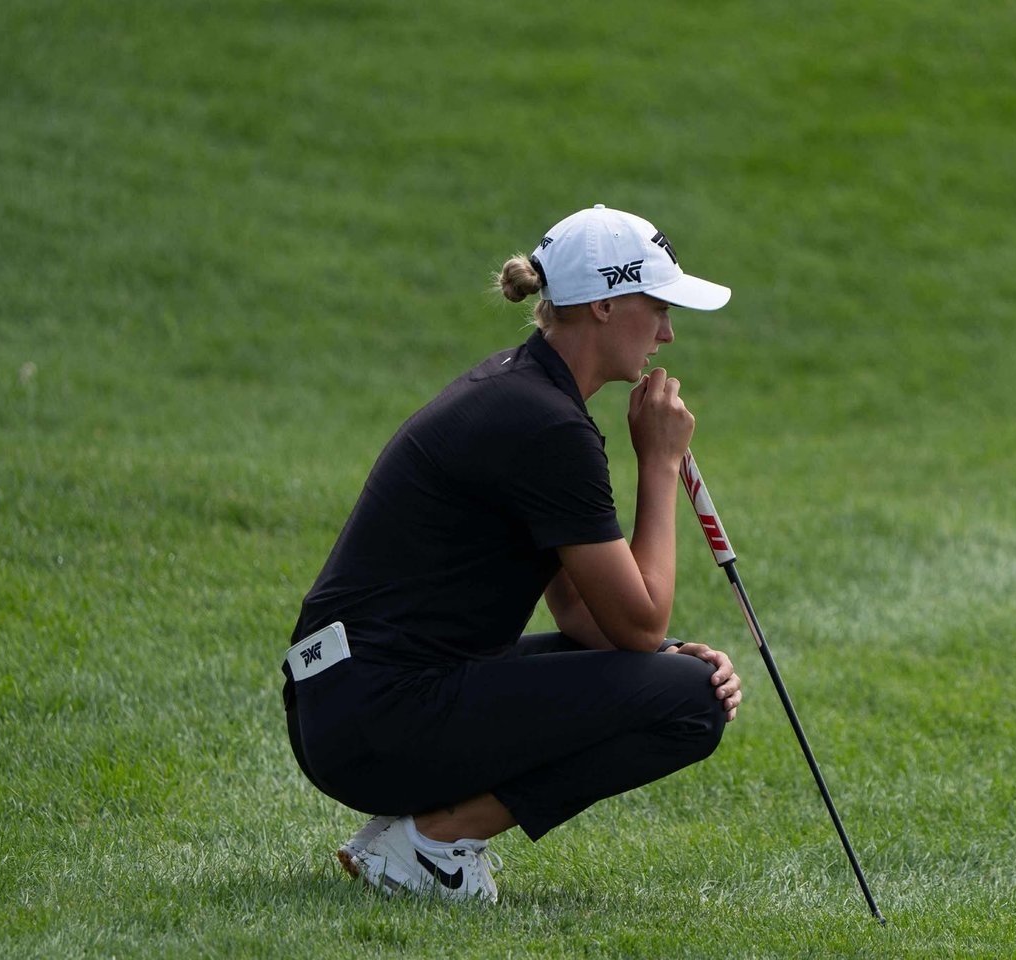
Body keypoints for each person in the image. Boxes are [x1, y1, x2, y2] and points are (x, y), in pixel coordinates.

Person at [282, 204, 743, 903]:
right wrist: (658, 461)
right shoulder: (546, 425)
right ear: (605, 304)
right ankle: (432, 844)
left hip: (346, 703)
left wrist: (667, 655)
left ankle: (414, 834)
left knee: (681, 681)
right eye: (658, 307)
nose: (668, 332)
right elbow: (638, 622)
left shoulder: (525, 392)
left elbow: (587, 617)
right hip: (373, 717)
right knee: (691, 706)